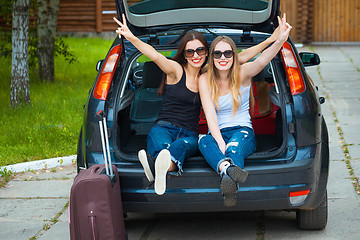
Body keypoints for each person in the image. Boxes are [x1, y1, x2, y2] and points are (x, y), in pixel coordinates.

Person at [113, 14, 282, 196]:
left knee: (181, 146)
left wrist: (271, 40)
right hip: (164, 126)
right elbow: (154, 55)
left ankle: (156, 166)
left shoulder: (207, 73)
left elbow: (239, 57)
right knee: (161, 143)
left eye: (200, 51)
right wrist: (131, 37)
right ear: (184, 54)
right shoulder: (176, 70)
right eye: (190, 52)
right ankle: (161, 166)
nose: (195, 55)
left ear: (206, 53)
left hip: (189, 133)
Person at [198, 14, 292, 206]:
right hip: (217, 132)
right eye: (217, 54)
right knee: (203, 140)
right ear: (211, 56)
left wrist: (279, 40)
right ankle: (229, 173)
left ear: (234, 55)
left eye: (227, 53)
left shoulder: (243, 72)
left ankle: (228, 177)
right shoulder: (204, 79)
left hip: (243, 131)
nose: (222, 58)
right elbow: (210, 116)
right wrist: (219, 141)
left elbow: (264, 58)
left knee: (234, 148)